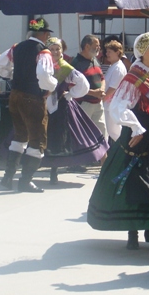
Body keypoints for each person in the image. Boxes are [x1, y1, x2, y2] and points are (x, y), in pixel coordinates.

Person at [86, 32, 149, 250]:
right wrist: (135, 127)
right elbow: (118, 106)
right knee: (135, 184)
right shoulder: (134, 77)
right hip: (138, 137)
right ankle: (132, 232)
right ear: (142, 51)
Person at [0, 18, 57, 193]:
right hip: (32, 98)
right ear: (44, 34)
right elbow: (43, 74)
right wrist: (51, 86)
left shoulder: (17, 47)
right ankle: (25, 181)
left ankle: (8, 177)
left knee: (20, 136)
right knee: (38, 139)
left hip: (15, 95)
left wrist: (13, 75)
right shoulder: (43, 51)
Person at [43, 37, 107, 184]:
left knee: (58, 137)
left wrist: (70, 94)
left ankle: (54, 171)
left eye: (58, 49)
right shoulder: (43, 65)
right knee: (40, 135)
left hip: (60, 107)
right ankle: (29, 168)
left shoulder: (65, 67)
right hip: (42, 105)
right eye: (52, 49)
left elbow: (82, 84)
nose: (55, 52)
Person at [71, 35, 108, 151]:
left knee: (102, 132)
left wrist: (101, 90)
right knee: (82, 133)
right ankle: (82, 158)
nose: (99, 48)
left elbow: (102, 77)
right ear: (87, 46)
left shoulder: (94, 60)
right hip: (84, 105)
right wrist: (93, 93)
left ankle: (102, 156)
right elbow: (72, 86)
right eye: (96, 46)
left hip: (98, 103)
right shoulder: (76, 64)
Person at [102, 40, 127, 143]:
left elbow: (113, 88)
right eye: (107, 52)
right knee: (109, 131)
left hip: (112, 105)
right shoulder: (113, 65)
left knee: (114, 132)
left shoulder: (118, 68)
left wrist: (102, 99)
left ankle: (125, 149)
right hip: (109, 104)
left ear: (117, 52)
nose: (107, 54)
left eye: (109, 52)